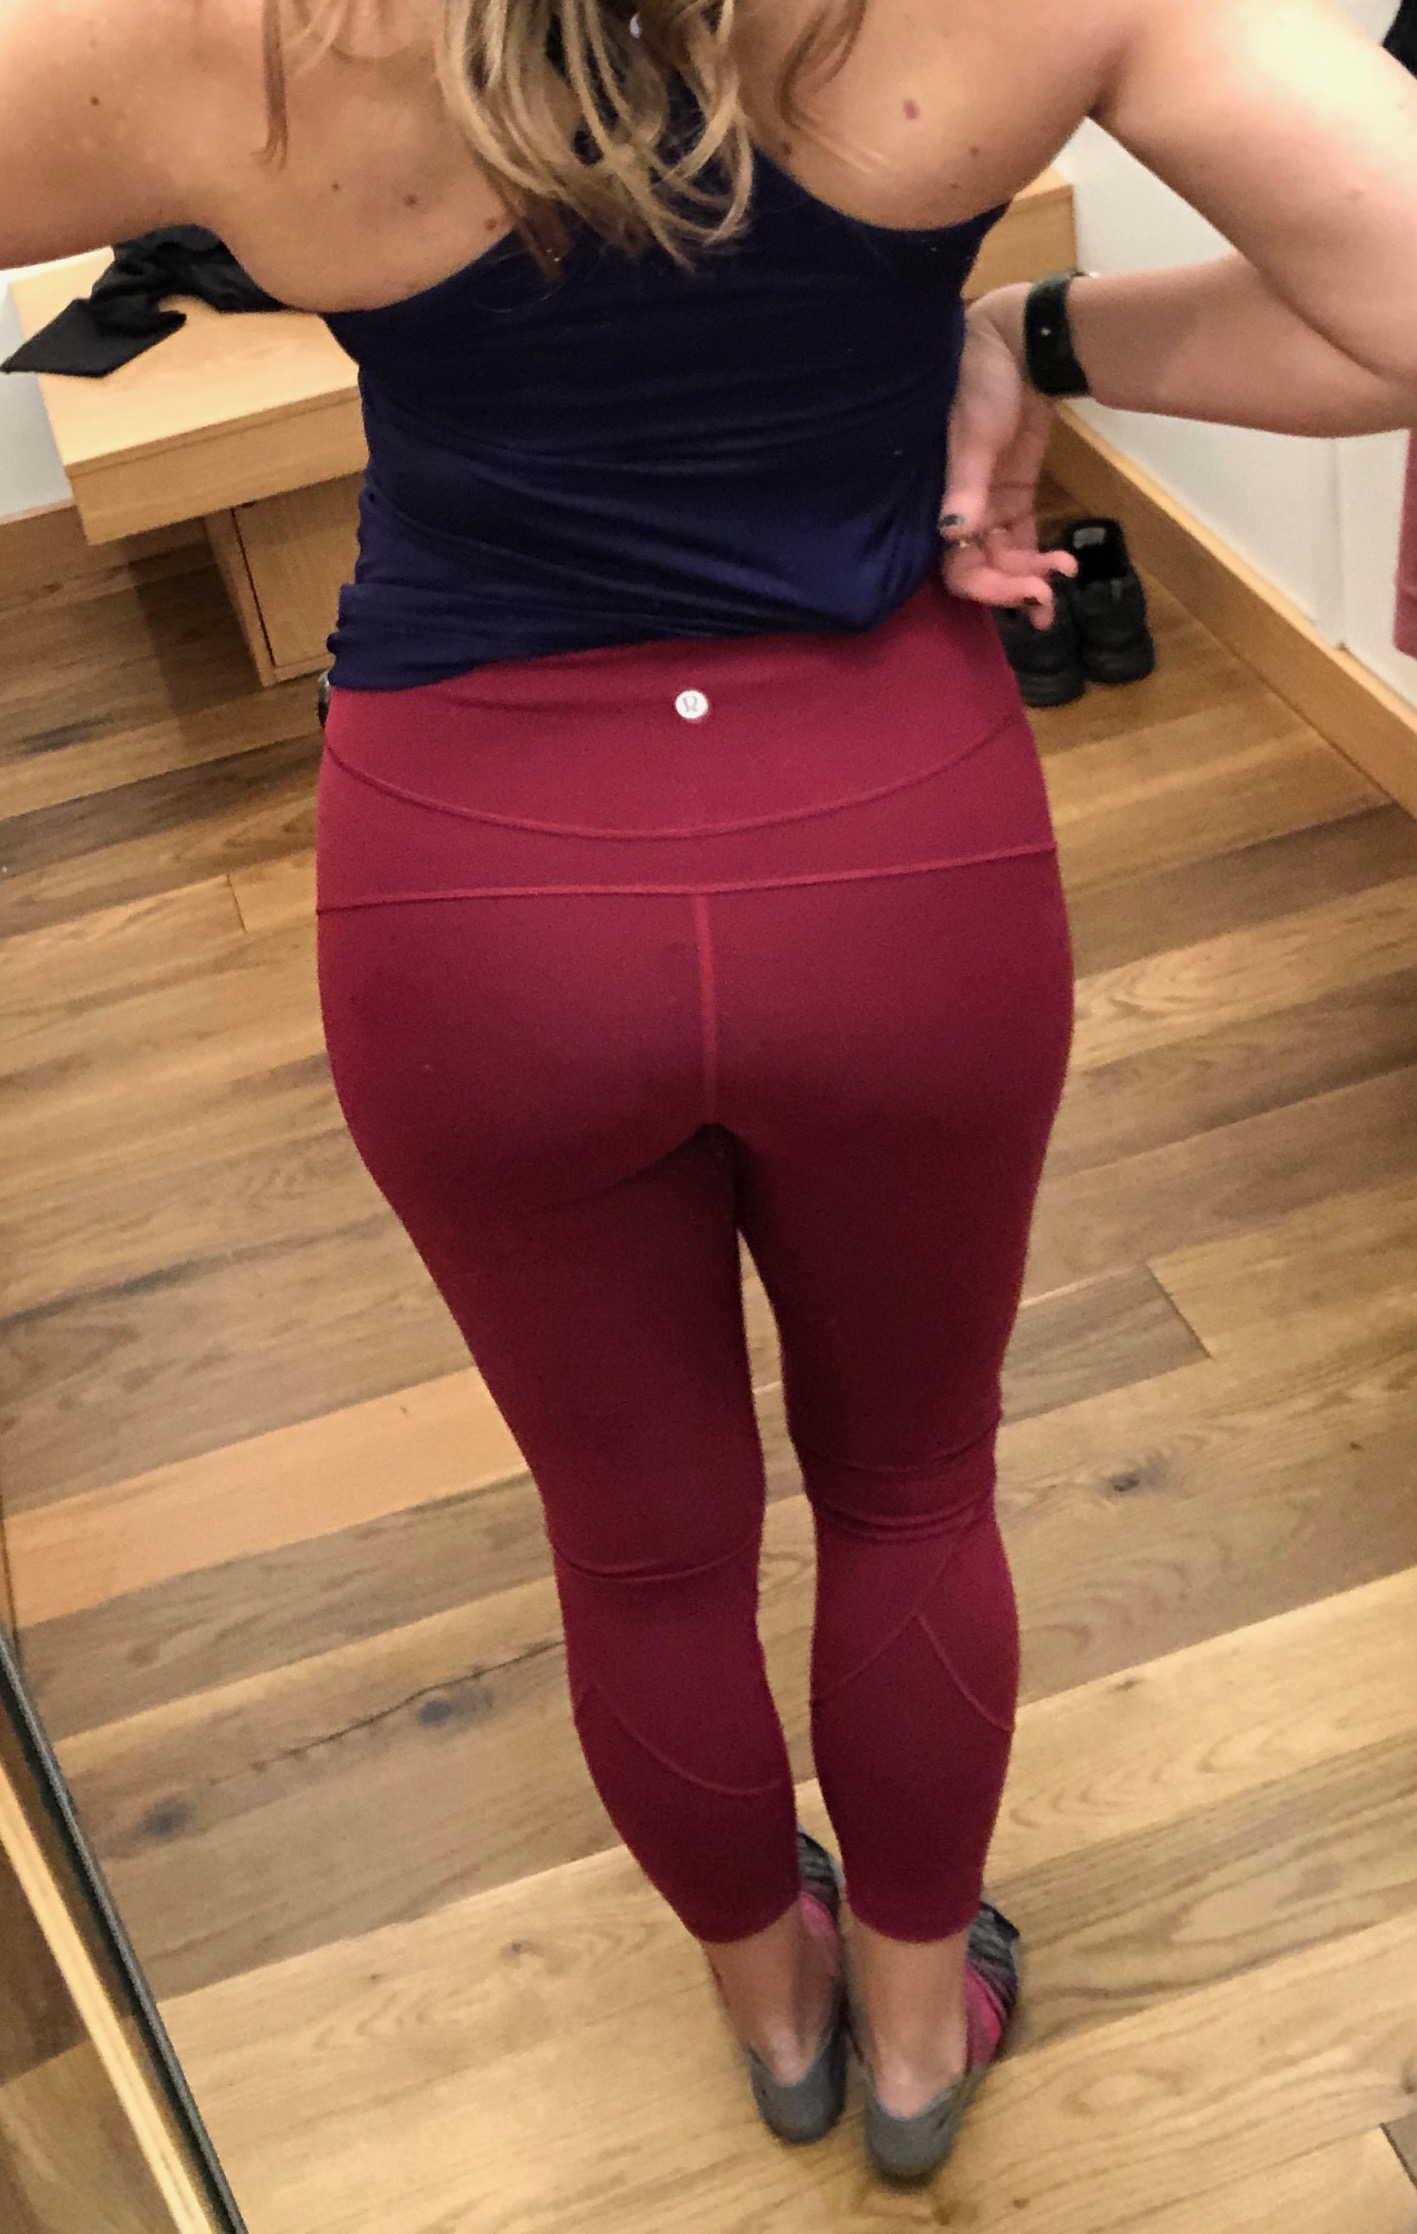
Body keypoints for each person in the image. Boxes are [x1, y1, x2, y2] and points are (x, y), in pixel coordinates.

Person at [6, 0, 1417, 2187]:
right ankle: (917, 2039)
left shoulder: (228, 33)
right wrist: (1027, 337)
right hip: (895, 862)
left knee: (638, 1545)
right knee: (913, 1485)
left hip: (475, 917)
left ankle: (774, 2015)